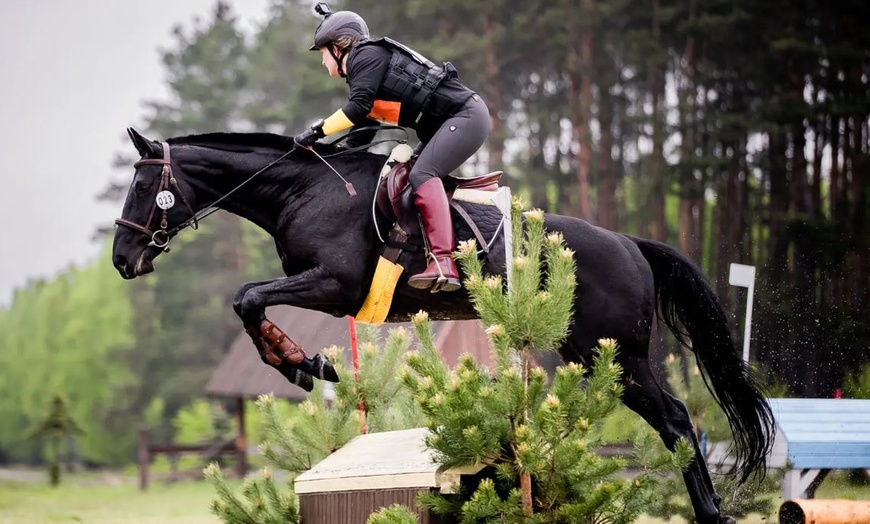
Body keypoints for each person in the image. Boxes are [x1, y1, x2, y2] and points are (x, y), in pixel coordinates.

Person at [295, 3, 490, 293]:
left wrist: (316, 131)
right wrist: (332, 159)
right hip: (451, 122)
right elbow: (363, 131)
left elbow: (357, 108)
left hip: (465, 116)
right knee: (403, 180)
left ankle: (444, 262)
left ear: (338, 46)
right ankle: (429, 251)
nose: (323, 61)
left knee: (422, 175)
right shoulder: (364, 73)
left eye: (323, 52)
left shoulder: (366, 55)